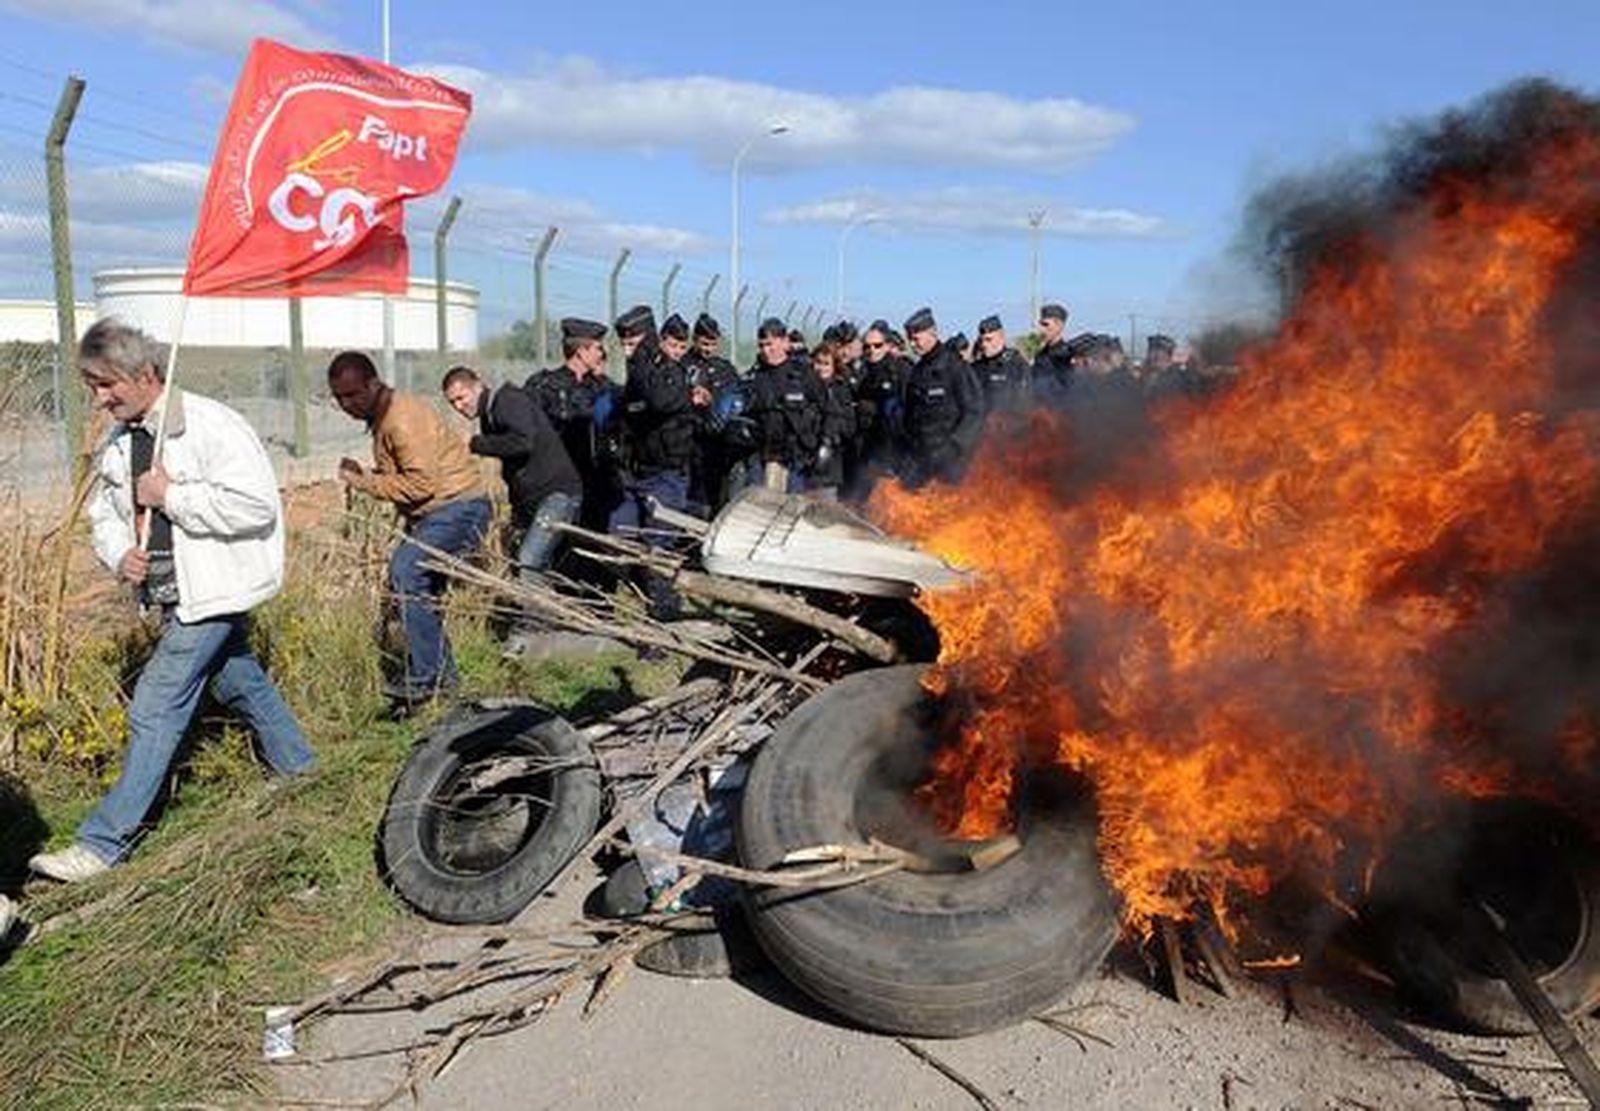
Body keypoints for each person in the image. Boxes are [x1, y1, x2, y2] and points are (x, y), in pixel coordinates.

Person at [29, 318, 314, 882]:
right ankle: (307, 775)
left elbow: (254, 506)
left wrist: (172, 496)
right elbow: (106, 519)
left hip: (214, 593)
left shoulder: (210, 425)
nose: (100, 398)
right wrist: (120, 558)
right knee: (241, 683)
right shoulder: (120, 441)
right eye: (92, 386)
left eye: (108, 384)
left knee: (156, 704)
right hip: (166, 593)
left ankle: (102, 845)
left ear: (145, 374)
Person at [329, 350, 491, 715]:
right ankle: (444, 685)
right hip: (446, 509)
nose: (345, 404)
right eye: (339, 397)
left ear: (373, 384)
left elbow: (422, 485)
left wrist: (366, 482)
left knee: (406, 571)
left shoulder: (400, 419)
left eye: (353, 394)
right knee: (421, 590)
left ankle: (427, 678)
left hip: (458, 508)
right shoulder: (386, 414)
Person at [442, 366, 582, 652]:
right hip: (539, 498)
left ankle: (535, 627)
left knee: (530, 558)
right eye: (453, 402)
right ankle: (553, 620)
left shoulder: (506, 401)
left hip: (557, 494)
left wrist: (475, 443)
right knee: (539, 561)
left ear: (478, 385)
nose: (460, 406)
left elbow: (523, 442)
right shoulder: (491, 414)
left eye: (462, 397)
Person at [527, 317, 621, 534]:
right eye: (597, 348)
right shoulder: (544, 386)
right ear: (581, 351)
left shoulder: (603, 386)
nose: (601, 354)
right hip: (557, 482)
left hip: (596, 482)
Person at [901, 307, 984, 488]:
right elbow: (910, 415)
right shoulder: (917, 371)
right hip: (921, 458)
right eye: (910, 340)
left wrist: (955, 447)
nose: (913, 345)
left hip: (950, 461)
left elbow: (974, 411)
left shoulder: (955, 366)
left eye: (916, 339)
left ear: (933, 333)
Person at [748, 317, 827, 493]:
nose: (766, 350)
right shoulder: (756, 377)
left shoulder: (804, 375)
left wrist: (816, 446)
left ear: (785, 342)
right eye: (762, 345)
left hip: (796, 459)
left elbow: (824, 410)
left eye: (770, 344)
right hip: (764, 456)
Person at [685, 312, 751, 514]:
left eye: (712, 344)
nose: (708, 349)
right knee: (695, 498)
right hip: (693, 441)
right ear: (695, 339)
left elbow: (738, 396)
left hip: (721, 443)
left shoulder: (725, 368)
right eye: (704, 343)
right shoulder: (683, 365)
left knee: (719, 497)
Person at [849, 318, 910, 499]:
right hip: (863, 451)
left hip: (891, 453)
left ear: (887, 345)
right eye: (867, 346)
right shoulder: (860, 371)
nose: (871, 351)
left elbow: (909, 412)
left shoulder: (900, 371)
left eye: (877, 345)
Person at [807, 339, 860, 501]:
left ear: (834, 366)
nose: (820, 368)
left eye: (826, 364)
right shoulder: (804, 388)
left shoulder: (841, 390)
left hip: (829, 466)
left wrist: (831, 434)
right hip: (805, 465)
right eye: (818, 363)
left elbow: (849, 427)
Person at [971, 314, 1031, 414]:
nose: (984, 345)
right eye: (982, 340)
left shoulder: (1016, 364)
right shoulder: (975, 368)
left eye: (989, 339)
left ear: (1001, 337)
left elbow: (1026, 403)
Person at [1032, 302, 1074, 402]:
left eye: (1046, 325)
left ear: (1059, 325)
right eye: (1041, 325)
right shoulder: (1040, 355)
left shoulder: (1068, 355)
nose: (1042, 329)